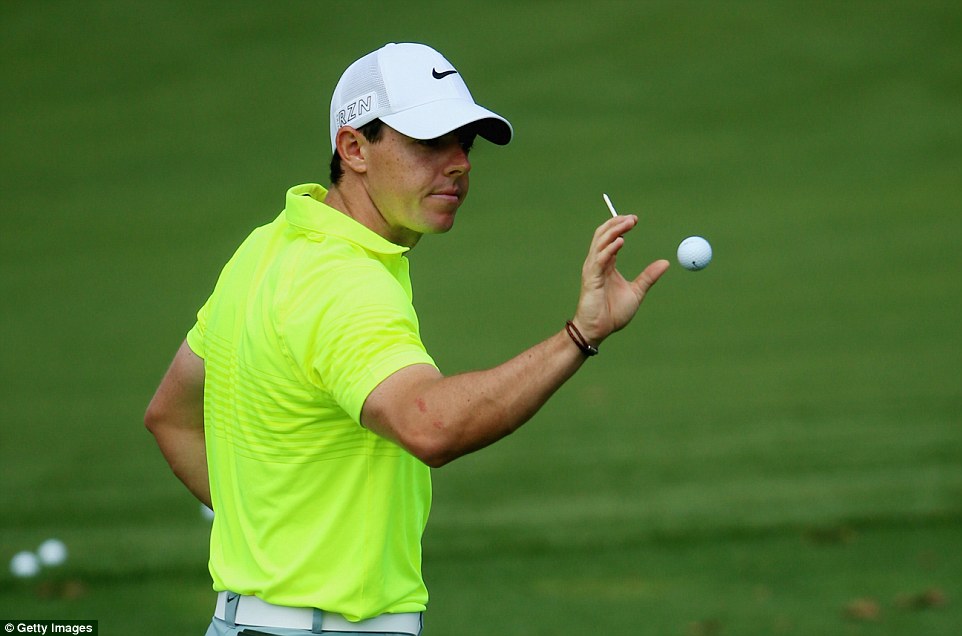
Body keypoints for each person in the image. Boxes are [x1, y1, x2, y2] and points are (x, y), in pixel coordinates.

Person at [145, 42, 670, 636]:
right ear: (353, 148)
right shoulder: (344, 284)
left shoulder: (267, 248)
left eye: (464, 143)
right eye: (428, 142)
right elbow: (430, 425)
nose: (459, 163)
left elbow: (171, 416)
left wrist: (271, 540)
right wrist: (581, 334)